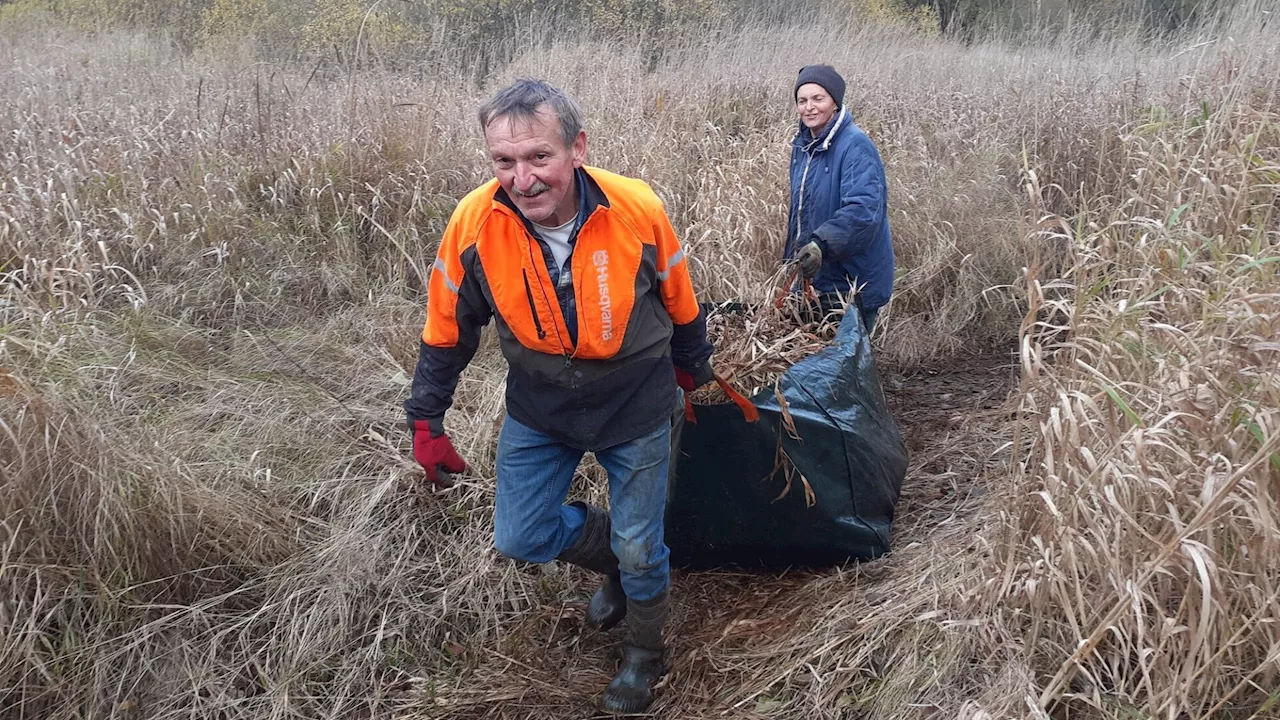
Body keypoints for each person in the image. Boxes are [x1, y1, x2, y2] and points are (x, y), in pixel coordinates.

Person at [402, 78, 715, 713]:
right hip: (541, 406)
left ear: (577, 148)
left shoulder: (635, 207)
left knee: (641, 543)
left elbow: (680, 295)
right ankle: (617, 563)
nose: (523, 178)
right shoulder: (473, 224)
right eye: (504, 161)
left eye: (539, 157)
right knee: (520, 535)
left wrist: (691, 367)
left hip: (635, 401)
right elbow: (446, 327)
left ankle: (643, 656)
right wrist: (426, 418)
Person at [782, 64, 895, 335]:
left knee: (846, 369)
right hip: (816, 278)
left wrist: (821, 244)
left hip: (851, 282)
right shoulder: (803, 147)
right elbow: (802, 213)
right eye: (802, 100)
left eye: (818, 99)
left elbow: (863, 212)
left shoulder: (855, 145)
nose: (809, 107)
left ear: (835, 102)